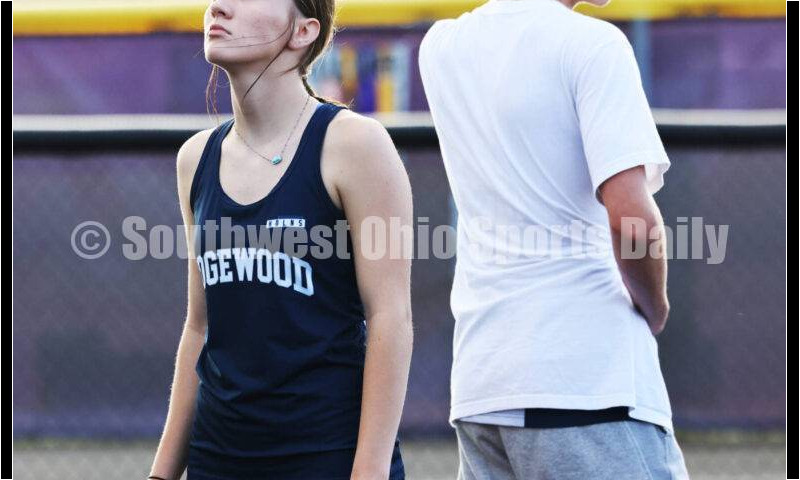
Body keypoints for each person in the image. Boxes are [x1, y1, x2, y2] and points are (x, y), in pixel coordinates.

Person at [418, 0, 691, 478]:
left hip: (483, 385)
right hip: (588, 382)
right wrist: (657, 306)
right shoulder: (593, 44)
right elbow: (632, 222)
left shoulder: (441, 46)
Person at [149, 0, 413, 478]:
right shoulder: (196, 158)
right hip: (218, 458)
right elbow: (199, 327)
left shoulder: (354, 144)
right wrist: (162, 472)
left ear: (303, 32)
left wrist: (369, 470)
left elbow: (389, 316)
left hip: (325, 456)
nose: (219, 7)